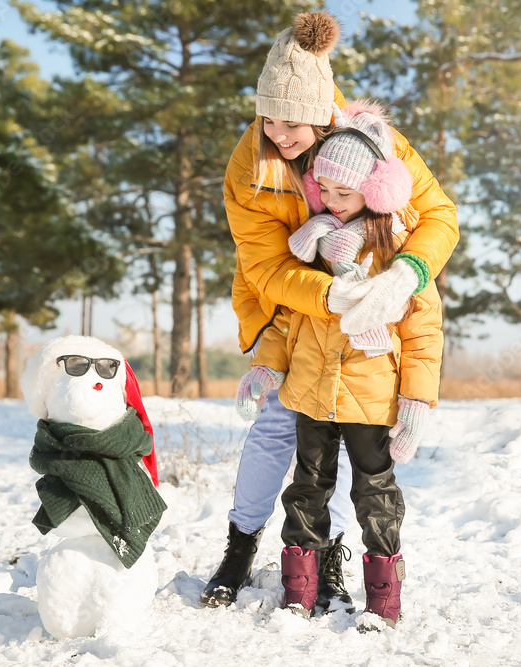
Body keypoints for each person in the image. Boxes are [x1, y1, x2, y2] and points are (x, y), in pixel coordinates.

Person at [201, 10, 459, 610]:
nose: (280, 133)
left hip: (371, 304)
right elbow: (265, 268)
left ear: (322, 112)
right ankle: (240, 548)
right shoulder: (251, 167)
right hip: (288, 307)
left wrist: (405, 274)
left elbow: (439, 215)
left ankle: (330, 553)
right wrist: (331, 296)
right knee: (274, 427)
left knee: (348, 428)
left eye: (293, 122)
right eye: (269, 119)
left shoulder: (371, 144)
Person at [237, 100, 443, 627]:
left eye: (343, 193)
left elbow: (421, 330)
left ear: (376, 191)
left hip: (372, 399)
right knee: (306, 490)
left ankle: (383, 601)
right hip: (311, 392)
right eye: (323, 191)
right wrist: (267, 367)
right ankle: (299, 594)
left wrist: (416, 398)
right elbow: (288, 318)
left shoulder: (395, 253)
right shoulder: (314, 246)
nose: (330, 201)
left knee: (375, 494)